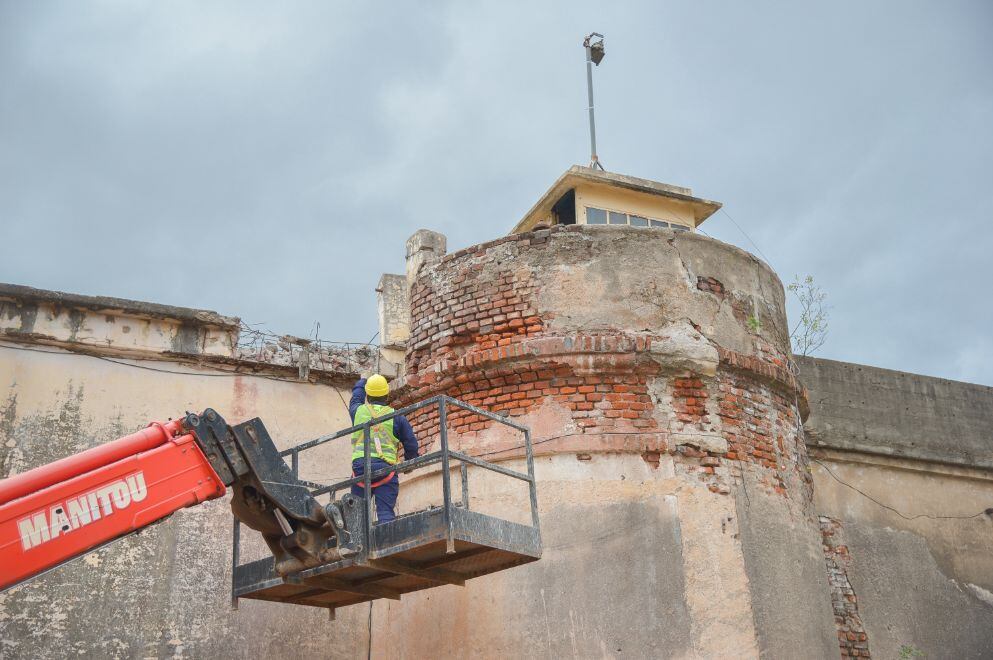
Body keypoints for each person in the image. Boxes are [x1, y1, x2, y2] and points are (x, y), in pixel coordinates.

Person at [349, 374, 419, 523]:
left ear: (367, 394)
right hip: (385, 470)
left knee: (357, 513)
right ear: (387, 395)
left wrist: (362, 380)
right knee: (385, 511)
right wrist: (409, 464)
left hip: (360, 470)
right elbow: (411, 444)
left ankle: (356, 543)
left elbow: (356, 397)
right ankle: (386, 542)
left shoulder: (358, 411)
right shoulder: (397, 417)